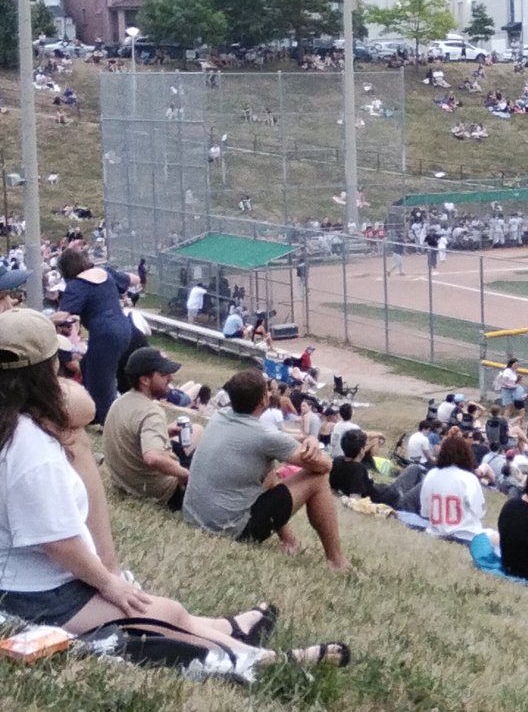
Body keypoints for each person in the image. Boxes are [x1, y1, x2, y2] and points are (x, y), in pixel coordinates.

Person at [0, 310, 349, 670]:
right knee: (163, 613)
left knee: (167, 611)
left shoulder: (20, 429)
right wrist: (109, 582)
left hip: (29, 584)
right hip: (39, 598)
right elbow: (57, 542)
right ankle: (262, 662)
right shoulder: (33, 449)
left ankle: (228, 630)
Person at [182, 370, 349, 571]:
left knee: (268, 471)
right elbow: (325, 465)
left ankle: (290, 542)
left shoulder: (221, 416)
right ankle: (337, 561)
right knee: (318, 478)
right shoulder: (264, 438)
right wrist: (312, 440)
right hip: (228, 530)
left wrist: (308, 440)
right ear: (263, 399)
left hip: (193, 517)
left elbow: (275, 440)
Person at [54, 247, 141, 426]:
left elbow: (63, 316)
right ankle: (93, 413)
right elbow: (134, 280)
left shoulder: (76, 285)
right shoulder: (104, 272)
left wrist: (42, 319)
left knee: (101, 384)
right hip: (124, 329)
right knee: (87, 366)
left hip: (104, 335)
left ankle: (108, 423)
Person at [103, 347, 197, 511]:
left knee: (196, 429)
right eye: (163, 374)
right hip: (158, 491)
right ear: (145, 380)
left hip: (125, 482)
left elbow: (130, 435)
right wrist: (184, 474)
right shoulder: (151, 412)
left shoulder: (122, 401)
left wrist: (165, 431)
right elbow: (152, 458)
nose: (170, 378)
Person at [419, 432, 487, 543]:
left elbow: (425, 511)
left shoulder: (431, 475)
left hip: (436, 532)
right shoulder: (468, 478)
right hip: (466, 535)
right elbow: (479, 511)